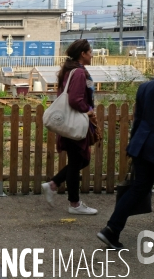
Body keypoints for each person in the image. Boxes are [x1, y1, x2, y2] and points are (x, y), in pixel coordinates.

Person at [97, 52, 154, 249]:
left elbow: (139, 118)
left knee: (138, 188)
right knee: (139, 188)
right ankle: (110, 230)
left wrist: (133, 145)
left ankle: (111, 229)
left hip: (142, 145)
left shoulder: (145, 87)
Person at [41, 39, 98, 215]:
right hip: (75, 122)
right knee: (76, 161)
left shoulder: (69, 70)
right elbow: (74, 99)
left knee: (81, 160)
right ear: (83, 54)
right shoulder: (79, 73)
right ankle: (74, 204)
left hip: (69, 121)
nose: (92, 55)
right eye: (90, 52)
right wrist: (88, 111)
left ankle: (53, 184)